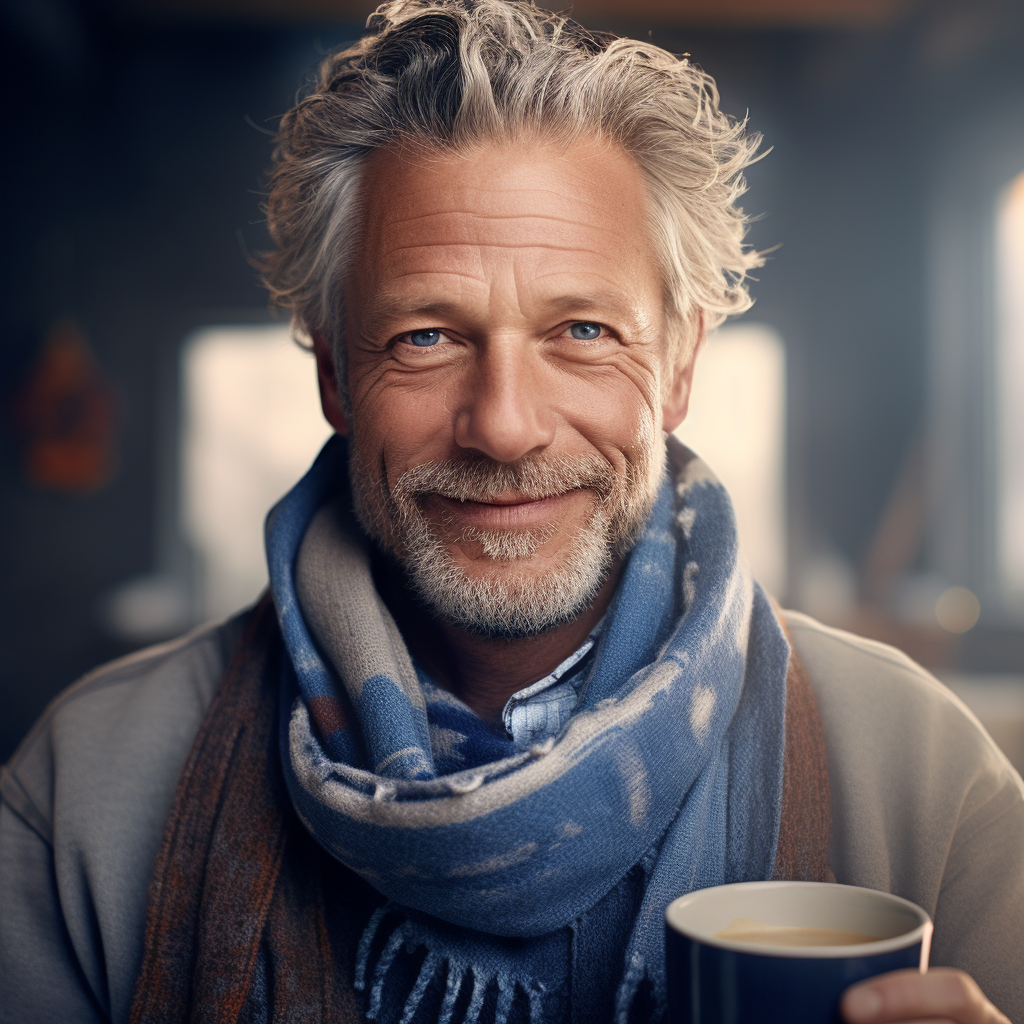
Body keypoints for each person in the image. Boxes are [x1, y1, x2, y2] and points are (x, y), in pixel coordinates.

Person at [1, 2, 1022, 1022]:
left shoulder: (926, 783)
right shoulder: (87, 793)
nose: (504, 426)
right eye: (425, 337)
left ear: (676, 369)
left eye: (580, 329)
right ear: (332, 375)